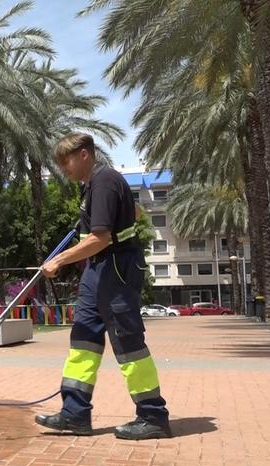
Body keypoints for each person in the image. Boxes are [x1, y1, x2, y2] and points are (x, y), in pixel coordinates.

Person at [36, 133, 171, 440]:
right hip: (96, 272)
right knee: (83, 336)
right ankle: (74, 413)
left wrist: (58, 261)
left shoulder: (105, 180)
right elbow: (134, 212)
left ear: (84, 154)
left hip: (117, 269)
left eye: (65, 160)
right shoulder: (93, 188)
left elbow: (100, 239)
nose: (63, 168)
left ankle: (153, 415)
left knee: (128, 342)